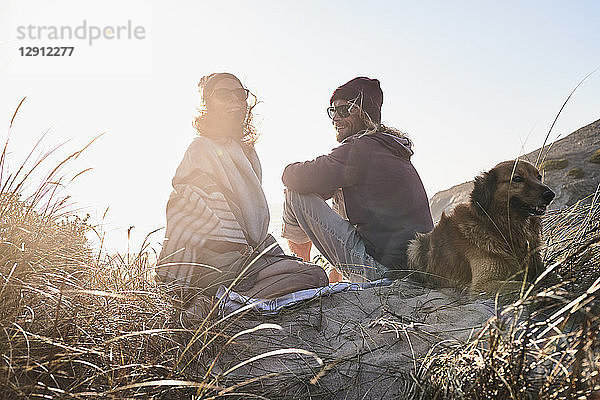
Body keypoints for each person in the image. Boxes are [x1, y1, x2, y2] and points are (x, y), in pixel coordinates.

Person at [156, 73, 327, 307]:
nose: (234, 101)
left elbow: (252, 222)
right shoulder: (201, 148)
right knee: (314, 275)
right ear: (207, 104)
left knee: (313, 274)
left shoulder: (247, 153)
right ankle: (221, 302)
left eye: (239, 94)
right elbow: (190, 210)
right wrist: (241, 251)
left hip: (242, 259)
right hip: (215, 263)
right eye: (223, 95)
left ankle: (230, 299)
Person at [281, 77, 434, 282]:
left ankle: (302, 275)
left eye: (344, 110)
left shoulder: (360, 149)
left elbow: (294, 177)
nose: (335, 117)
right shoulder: (390, 148)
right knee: (340, 192)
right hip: (414, 270)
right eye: (332, 111)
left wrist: (313, 186)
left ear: (364, 113)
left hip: (383, 272)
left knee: (295, 195)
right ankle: (331, 278)